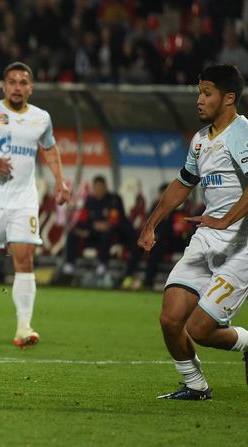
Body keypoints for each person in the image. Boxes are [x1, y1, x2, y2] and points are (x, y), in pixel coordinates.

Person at [138, 64, 248, 400]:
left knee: (200, 328)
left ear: (229, 98)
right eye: (199, 92)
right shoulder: (201, 140)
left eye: (207, 93)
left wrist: (224, 219)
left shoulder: (242, 133)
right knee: (171, 318)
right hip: (207, 238)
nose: (199, 100)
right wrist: (151, 222)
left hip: (241, 245)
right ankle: (195, 385)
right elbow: (184, 182)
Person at [0, 62, 70, 349]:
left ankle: (23, 326)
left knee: (25, 260)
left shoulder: (41, 118)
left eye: (23, 82)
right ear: (4, 86)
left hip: (24, 199)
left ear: (30, 87)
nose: (17, 87)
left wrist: (60, 181)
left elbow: (49, 148)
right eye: (12, 82)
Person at [61, 175, 140, 283]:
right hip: (91, 234)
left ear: (105, 187)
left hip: (111, 236)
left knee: (106, 233)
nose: (98, 190)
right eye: (96, 187)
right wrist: (87, 228)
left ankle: (102, 265)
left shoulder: (114, 199)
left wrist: (102, 225)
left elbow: (115, 220)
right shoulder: (90, 201)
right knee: (72, 234)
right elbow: (84, 219)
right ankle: (69, 265)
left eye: (100, 187)